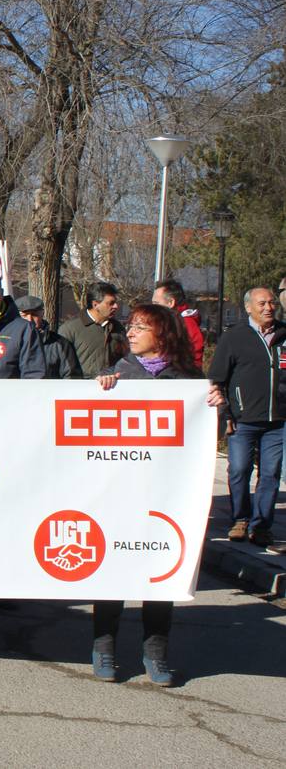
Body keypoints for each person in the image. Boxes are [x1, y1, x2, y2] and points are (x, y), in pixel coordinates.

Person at [92, 303, 225, 685]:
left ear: (162, 334)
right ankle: (103, 647)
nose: (130, 333)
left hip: (165, 495)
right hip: (118, 492)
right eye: (130, 327)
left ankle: (156, 652)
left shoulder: (187, 380)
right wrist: (99, 388)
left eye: (139, 328)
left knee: (161, 573)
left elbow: (205, 433)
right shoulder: (117, 374)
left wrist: (217, 405)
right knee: (111, 572)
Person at [208, 287, 285, 547]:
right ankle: (240, 519)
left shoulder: (284, 334)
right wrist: (225, 412)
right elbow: (217, 379)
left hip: (277, 421)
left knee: (270, 473)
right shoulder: (234, 337)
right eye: (262, 303)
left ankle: (261, 526)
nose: (268, 308)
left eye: (271, 302)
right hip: (243, 419)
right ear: (248, 307)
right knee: (239, 469)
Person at [58, 282, 126, 378]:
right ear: (95, 304)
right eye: (111, 303)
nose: (116, 306)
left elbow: (126, 359)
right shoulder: (69, 329)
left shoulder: (119, 328)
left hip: (113, 388)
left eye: (115, 302)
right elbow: (61, 366)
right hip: (81, 389)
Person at [15, 295, 82, 379]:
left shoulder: (60, 344)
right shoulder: (7, 342)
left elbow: (72, 377)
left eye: (34, 315)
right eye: (24, 315)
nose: (30, 320)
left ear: (42, 314)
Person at [153, 278, 204, 367]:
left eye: (156, 303)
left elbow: (195, 355)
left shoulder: (186, 324)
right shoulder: (169, 322)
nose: (152, 308)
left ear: (170, 303)